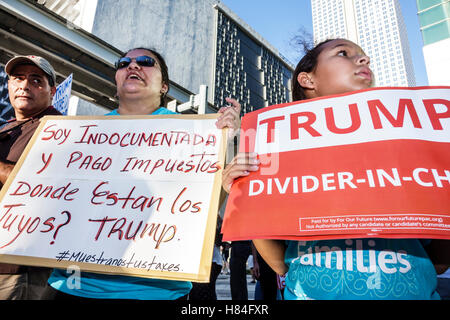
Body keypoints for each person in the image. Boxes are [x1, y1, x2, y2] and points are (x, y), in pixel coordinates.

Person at [221, 38, 442, 300]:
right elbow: (280, 265)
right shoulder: (278, 153)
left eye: (363, 55)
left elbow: (440, 262)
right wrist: (245, 199)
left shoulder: (411, 143)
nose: (363, 59)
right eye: (343, 53)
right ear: (307, 80)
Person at [47, 47, 241, 300]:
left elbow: (204, 209)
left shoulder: (197, 134)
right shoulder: (82, 136)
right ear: (116, 82)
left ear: (164, 87)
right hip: (74, 286)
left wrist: (226, 146)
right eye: (124, 63)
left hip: (155, 291)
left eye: (146, 62)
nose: (133, 66)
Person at [0, 55, 61, 299]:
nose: (24, 86)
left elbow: (38, 186)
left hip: (19, 268)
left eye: (36, 80)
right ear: (8, 86)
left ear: (52, 91)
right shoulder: (7, 127)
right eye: (18, 78)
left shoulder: (59, 129)